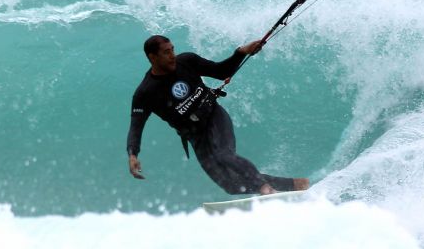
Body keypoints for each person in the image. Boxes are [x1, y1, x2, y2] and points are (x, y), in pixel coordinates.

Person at [126, 35, 310, 195]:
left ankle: (265, 188)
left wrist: (242, 51)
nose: (172, 55)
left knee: (224, 155)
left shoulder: (186, 61)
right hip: (195, 135)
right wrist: (133, 154)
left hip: (214, 117)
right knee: (230, 185)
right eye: (166, 52)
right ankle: (296, 184)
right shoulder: (145, 93)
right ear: (152, 57)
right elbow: (136, 126)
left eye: (172, 49)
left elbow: (222, 71)